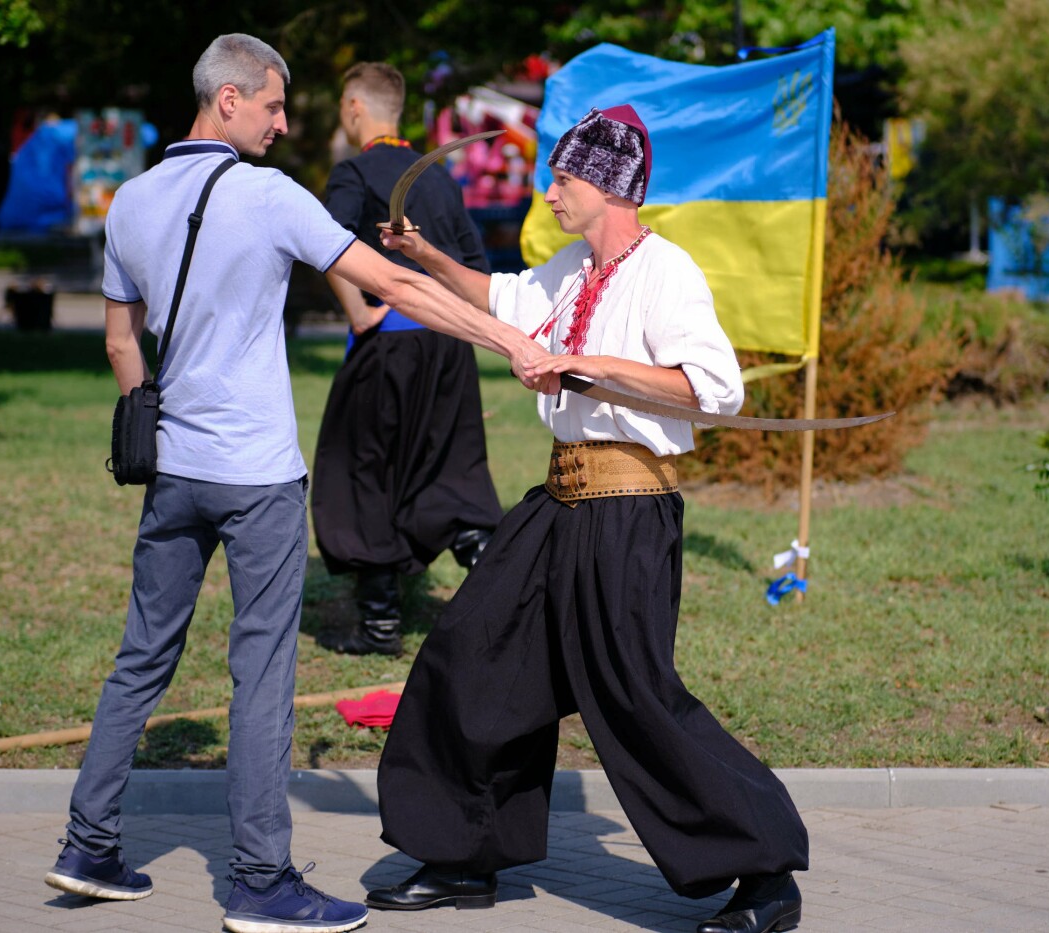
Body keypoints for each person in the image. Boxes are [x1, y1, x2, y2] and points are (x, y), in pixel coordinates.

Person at [42, 34, 548, 933]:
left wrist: (144, 412)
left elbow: (123, 343)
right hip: (258, 479)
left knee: (140, 659)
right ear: (226, 99)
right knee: (263, 672)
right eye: (273, 106)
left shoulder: (132, 201)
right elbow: (388, 277)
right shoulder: (270, 197)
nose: (285, 123)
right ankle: (260, 881)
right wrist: (508, 339)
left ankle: (88, 845)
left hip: (176, 473)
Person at [365, 106, 810, 933]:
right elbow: (503, 298)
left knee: (635, 698)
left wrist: (589, 365)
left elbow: (715, 390)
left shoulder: (665, 272)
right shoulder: (572, 268)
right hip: (556, 506)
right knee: (471, 655)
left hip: (630, 510)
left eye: (562, 179)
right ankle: (466, 853)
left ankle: (763, 870)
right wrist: (425, 255)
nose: (550, 192)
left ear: (607, 186)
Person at [310, 62, 502, 657]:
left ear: (353, 109)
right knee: (448, 471)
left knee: (365, 470)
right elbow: (476, 264)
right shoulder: (439, 178)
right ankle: (501, 601)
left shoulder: (355, 170)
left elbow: (326, 242)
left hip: (388, 342)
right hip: (448, 345)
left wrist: (358, 313)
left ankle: (380, 625)